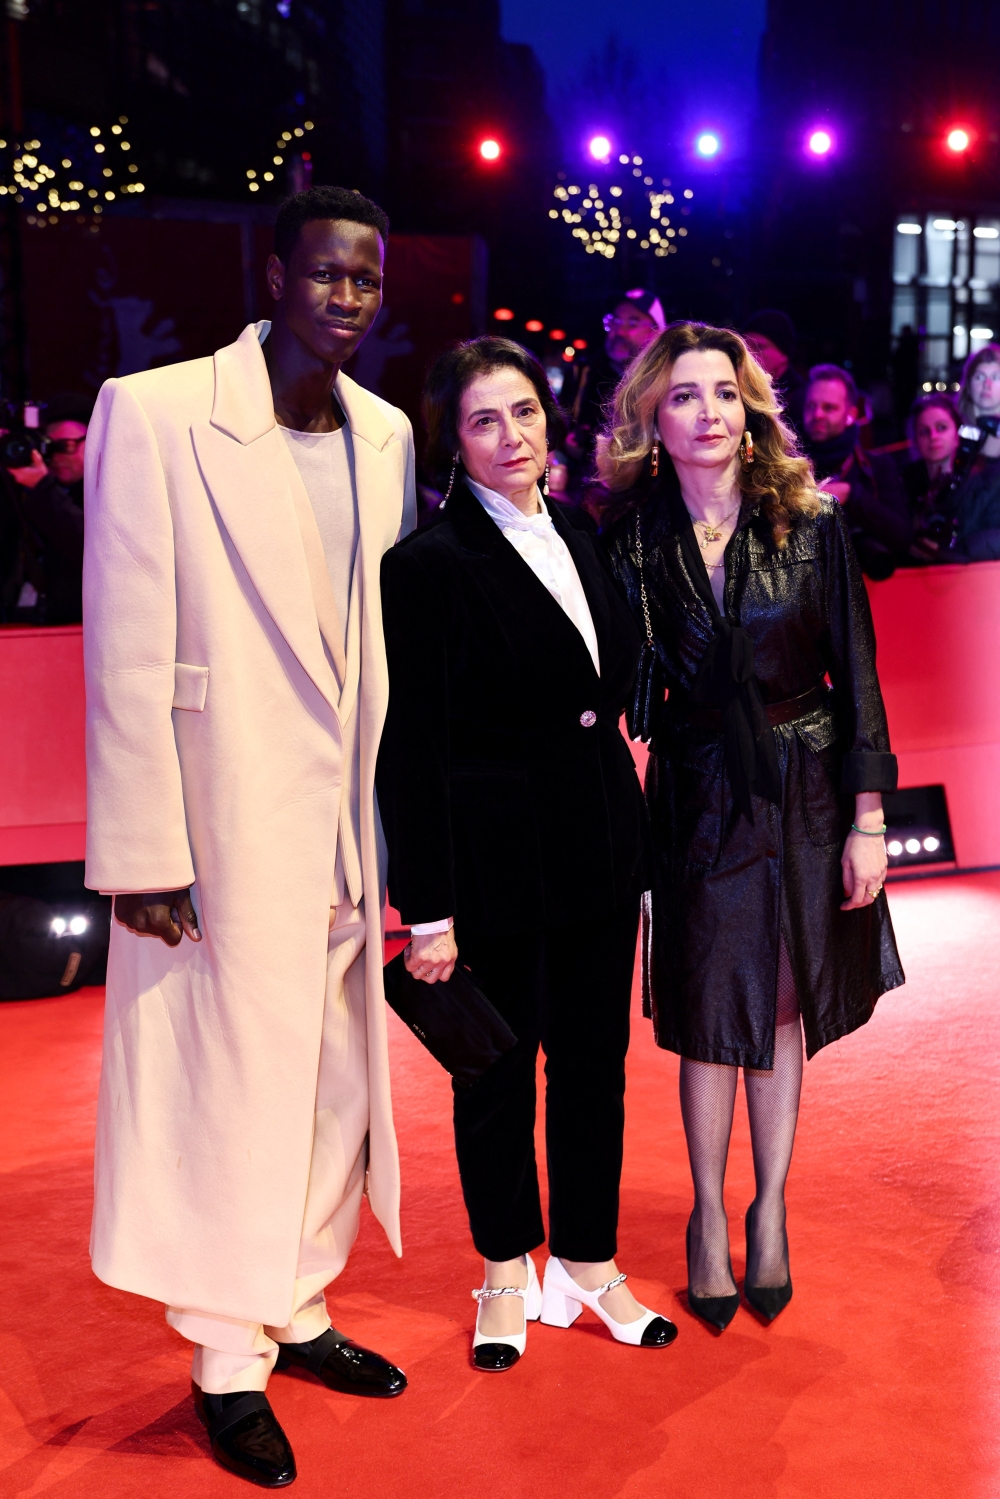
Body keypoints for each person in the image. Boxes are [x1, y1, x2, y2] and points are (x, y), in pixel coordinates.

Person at [83, 185, 416, 1488]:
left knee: (337, 1072)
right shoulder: (161, 412)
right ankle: (227, 1354)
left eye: (368, 279)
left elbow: (379, 649)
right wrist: (144, 847)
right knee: (231, 1084)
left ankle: (300, 1300)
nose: (348, 296)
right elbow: (123, 652)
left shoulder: (385, 433)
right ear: (274, 272)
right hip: (217, 824)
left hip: (345, 825)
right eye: (328, 272)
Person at [376, 336, 677, 1372]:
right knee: (494, 1075)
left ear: (552, 421)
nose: (513, 436)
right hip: (492, 867)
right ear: (451, 441)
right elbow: (408, 745)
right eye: (484, 420)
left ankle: (585, 1263)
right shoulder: (422, 566)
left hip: (599, 851)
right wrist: (425, 908)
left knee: (594, 1070)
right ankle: (505, 1267)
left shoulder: (585, 530)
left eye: (526, 412)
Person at [601, 322, 904, 1332]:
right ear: (652, 414)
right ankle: (703, 1210)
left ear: (750, 408)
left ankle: (767, 1207)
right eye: (684, 395)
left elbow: (856, 679)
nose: (707, 413)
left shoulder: (810, 522)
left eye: (724, 394)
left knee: (778, 1011)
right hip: (694, 790)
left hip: (805, 784)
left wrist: (868, 819)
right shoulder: (631, 538)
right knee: (706, 1012)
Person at [801, 363, 912, 579]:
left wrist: (852, 495)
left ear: (851, 414)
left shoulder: (877, 468)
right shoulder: (787, 467)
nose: (817, 415)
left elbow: (902, 537)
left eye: (829, 407)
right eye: (811, 406)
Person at [4, 393, 92, 623]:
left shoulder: (109, 490)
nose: (55, 457)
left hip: (84, 630)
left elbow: (91, 545)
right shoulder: (30, 492)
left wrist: (43, 488)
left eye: (65, 446)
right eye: (48, 447)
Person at [562, 288, 665, 476]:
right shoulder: (582, 374)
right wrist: (566, 445)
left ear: (656, 333)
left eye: (633, 322)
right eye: (615, 321)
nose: (620, 331)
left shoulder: (667, 385)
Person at [900, 394, 960, 563]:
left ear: (957, 434)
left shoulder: (975, 482)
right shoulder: (903, 482)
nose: (933, 437)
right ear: (915, 439)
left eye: (941, 428)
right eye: (924, 431)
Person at [954, 343, 1000, 559]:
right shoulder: (949, 434)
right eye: (980, 377)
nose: (987, 385)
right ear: (968, 384)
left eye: (997, 377)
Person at [743, 309, 806, 435]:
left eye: (759, 346)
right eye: (746, 347)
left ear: (783, 354)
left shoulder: (801, 399)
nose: (749, 354)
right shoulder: (743, 390)